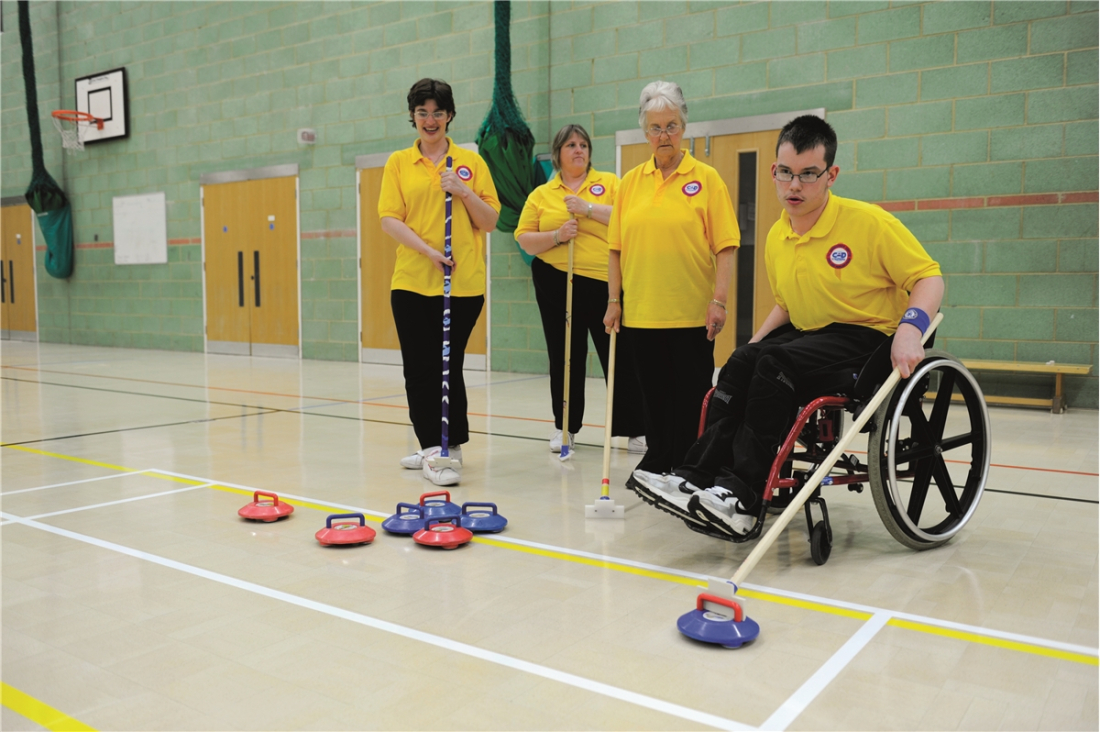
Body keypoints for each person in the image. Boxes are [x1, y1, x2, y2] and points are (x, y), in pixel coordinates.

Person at [631, 115, 944, 539]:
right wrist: (752, 343)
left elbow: (928, 277)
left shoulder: (869, 223)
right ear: (774, 172)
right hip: (814, 337)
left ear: (831, 174)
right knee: (743, 359)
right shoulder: (779, 234)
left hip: (868, 338)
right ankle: (699, 476)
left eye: (808, 175)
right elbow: (786, 304)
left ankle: (744, 495)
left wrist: (911, 329)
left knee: (774, 361)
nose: (794, 186)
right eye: (785, 173)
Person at [605, 81, 739, 479]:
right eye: (656, 128)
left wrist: (719, 300)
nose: (664, 136)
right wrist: (614, 300)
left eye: (672, 126)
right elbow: (615, 248)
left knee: (691, 394)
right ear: (645, 132)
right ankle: (658, 455)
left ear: (684, 127)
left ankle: (688, 461)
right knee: (652, 393)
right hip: (642, 311)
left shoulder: (707, 179)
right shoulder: (630, 182)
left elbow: (726, 246)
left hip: (690, 311)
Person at [378, 78, 500, 487]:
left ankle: (449, 444)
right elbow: (389, 219)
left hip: (462, 284)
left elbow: (490, 222)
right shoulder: (398, 162)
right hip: (412, 280)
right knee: (420, 366)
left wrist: (463, 192)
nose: (430, 120)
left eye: (438, 112)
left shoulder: (471, 162)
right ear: (412, 116)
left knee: (449, 366)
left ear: (449, 116)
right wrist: (427, 251)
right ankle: (432, 444)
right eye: (422, 112)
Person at [515, 124, 646, 454]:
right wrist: (558, 235)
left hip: (605, 282)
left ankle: (633, 429)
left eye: (584, 144)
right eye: (571, 144)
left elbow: (627, 218)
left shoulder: (609, 184)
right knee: (564, 355)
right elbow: (525, 239)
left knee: (618, 354)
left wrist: (587, 209)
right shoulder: (542, 194)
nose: (579, 150)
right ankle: (565, 428)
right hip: (557, 281)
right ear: (558, 152)